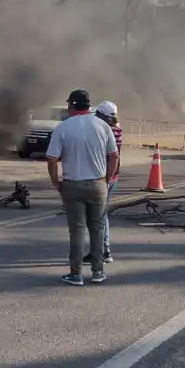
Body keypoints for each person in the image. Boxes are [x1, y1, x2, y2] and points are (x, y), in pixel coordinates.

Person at [45, 89, 118, 286]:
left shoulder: (63, 128)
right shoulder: (103, 126)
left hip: (72, 184)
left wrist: (55, 182)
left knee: (77, 230)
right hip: (98, 184)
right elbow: (114, 156)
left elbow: (51, 159)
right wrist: (107, 179)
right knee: (98, 228)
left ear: (72, 106)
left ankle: (76, 274)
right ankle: (98, 271)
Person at [83, 101, 122, 264]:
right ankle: (103, 250)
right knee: (101, 213)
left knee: (97, 216)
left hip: (102, 177)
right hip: (113, 176)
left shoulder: (103, 131)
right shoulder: (117, 130)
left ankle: (102, 251)